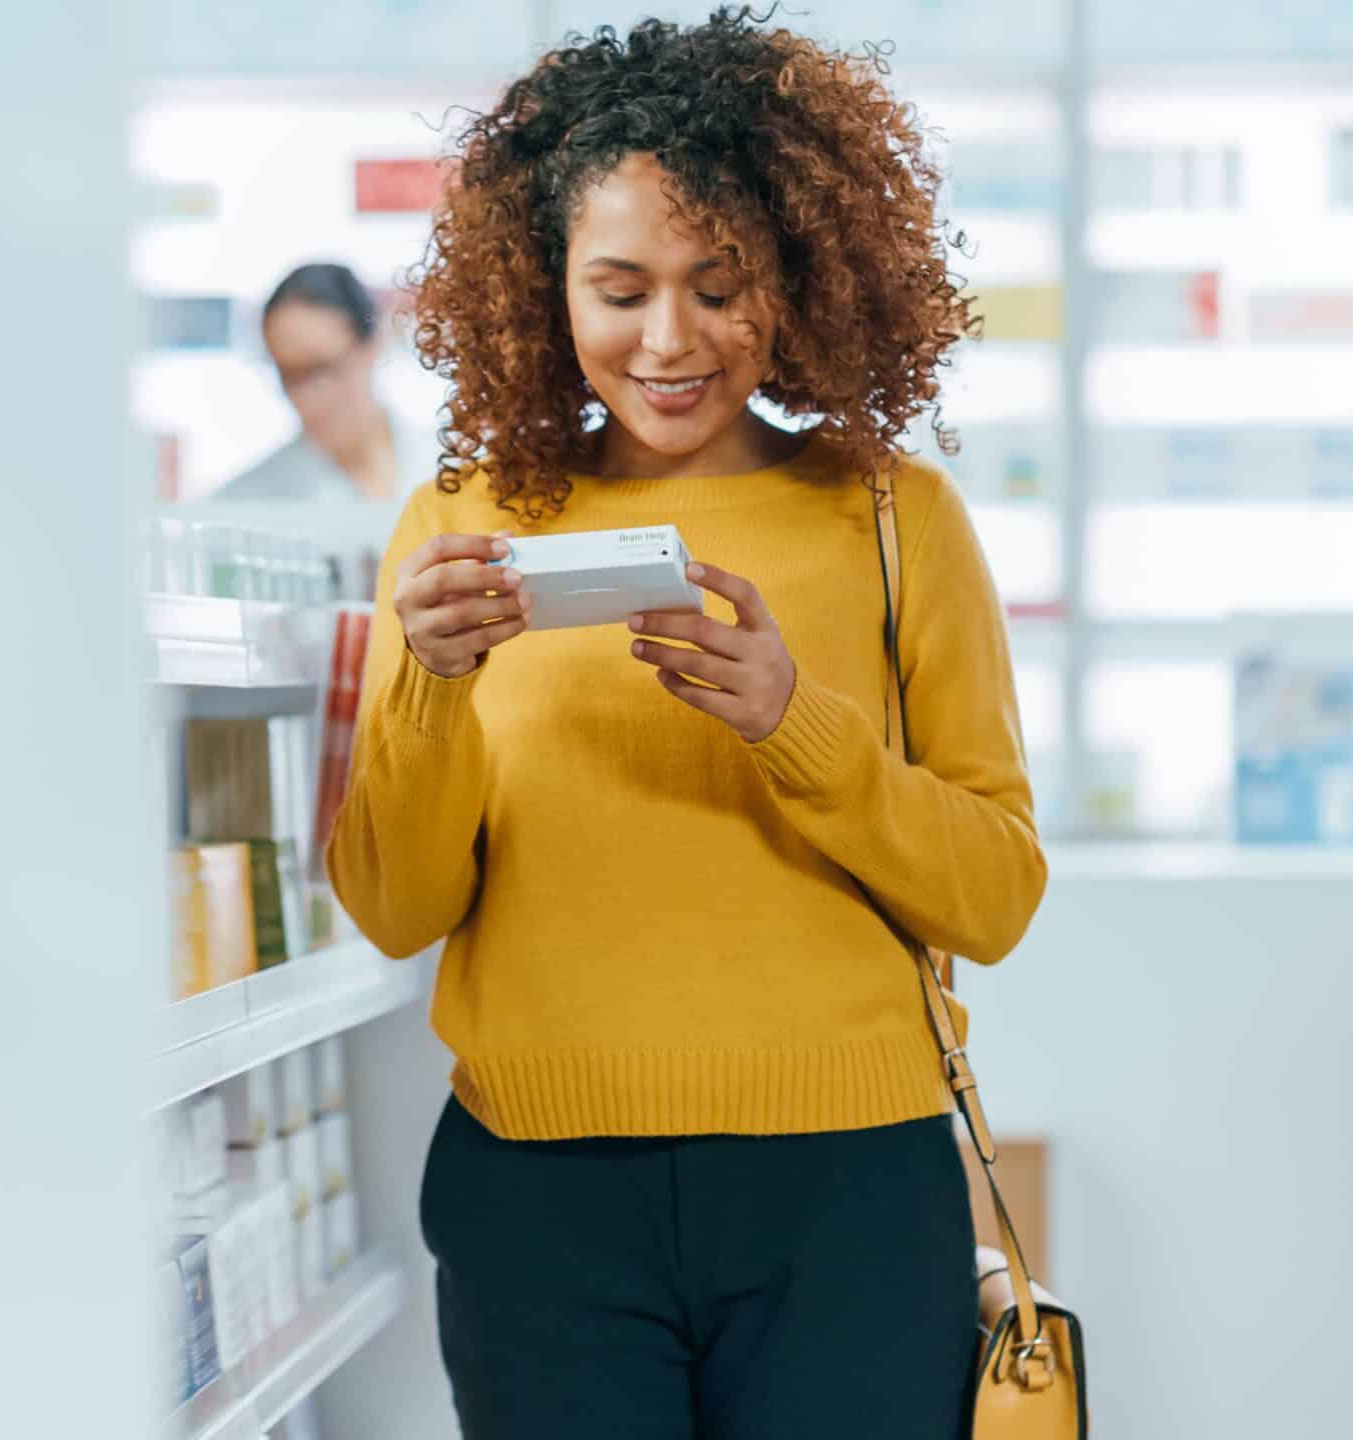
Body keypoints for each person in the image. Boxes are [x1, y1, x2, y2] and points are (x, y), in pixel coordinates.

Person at [323, 12, 1047, 1439]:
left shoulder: (896, 516)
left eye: (723, 286)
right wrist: (432, 682)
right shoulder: (462, 524)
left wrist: (799, 725)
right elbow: (398, 909)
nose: (671, 340)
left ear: (799, 278)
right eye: (621, 288)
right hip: (539, 1199)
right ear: (547, 291)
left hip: (846, 1188)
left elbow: (997, 892)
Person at [212, 262, 434, 503]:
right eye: (289, 377)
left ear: (372, 347)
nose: (307, 400)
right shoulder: (245, 503)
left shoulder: (458, 471)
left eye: (322, 371)